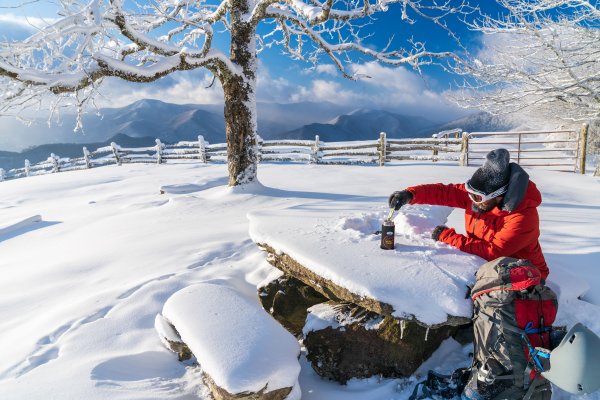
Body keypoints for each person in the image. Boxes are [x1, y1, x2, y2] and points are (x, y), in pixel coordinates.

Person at [388, 148, 549, 280]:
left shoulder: (522, 218)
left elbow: (492, 251)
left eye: (477, 197)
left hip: (526, 275)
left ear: (499, 196)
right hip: (488, 264)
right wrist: (410, 194)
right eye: (470, 192)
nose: (471, 199)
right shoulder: (480, 199)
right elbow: (445, 192)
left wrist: (447, 236)